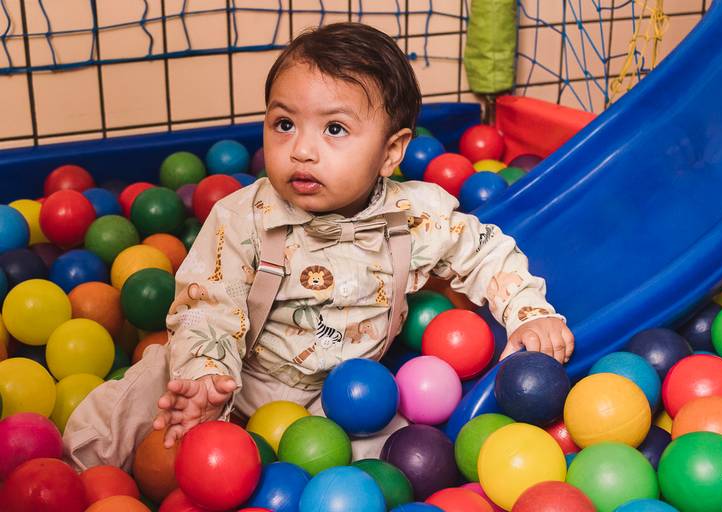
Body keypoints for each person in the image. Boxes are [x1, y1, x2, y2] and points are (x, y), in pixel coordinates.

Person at [63, 22, 574, 471]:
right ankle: (75, 468)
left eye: (334, 129)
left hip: (339, 395)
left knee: (398, 448)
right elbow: (206, 302)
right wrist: (206, 374)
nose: (301, 150)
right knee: (149, 385)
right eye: (284, 124)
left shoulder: (414, 216)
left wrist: (528, 313)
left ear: (390, 152)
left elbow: (484, 250)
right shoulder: (243, 217)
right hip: (239, 371)